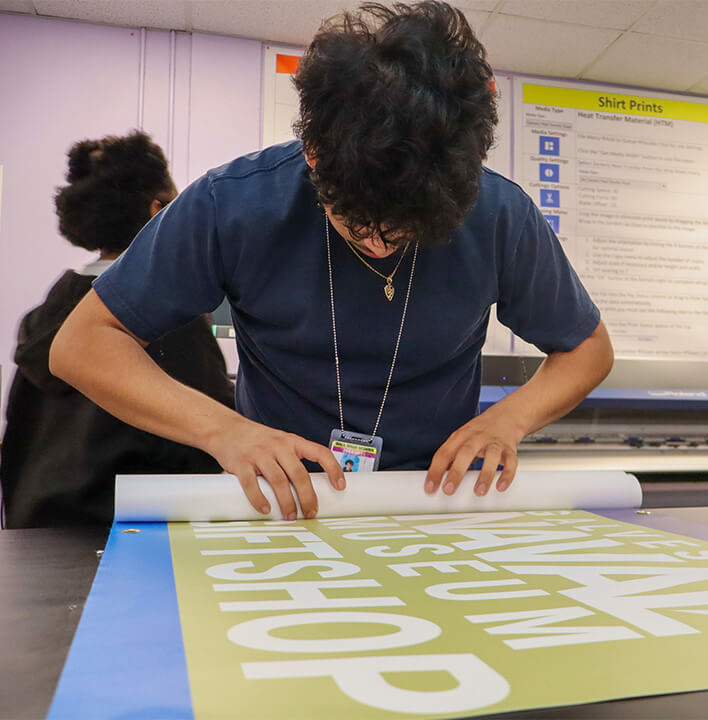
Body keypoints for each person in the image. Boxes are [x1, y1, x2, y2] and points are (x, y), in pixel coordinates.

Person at [49, 2, 614, 522]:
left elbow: (587, 348)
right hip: (281, 503)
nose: (383, 246)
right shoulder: (233, 203)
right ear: (314, 158)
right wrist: (223, 431)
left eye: (409, 230)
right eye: (363, 223)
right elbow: (84, 345)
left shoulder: (498, 212)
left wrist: (508, 421)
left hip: (437, 505)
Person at [0, 131, 235, 528]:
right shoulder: (167, 320)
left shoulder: (45, 316)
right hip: (131, 537)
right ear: (157, 212)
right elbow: (206, 445)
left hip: (34, 532)